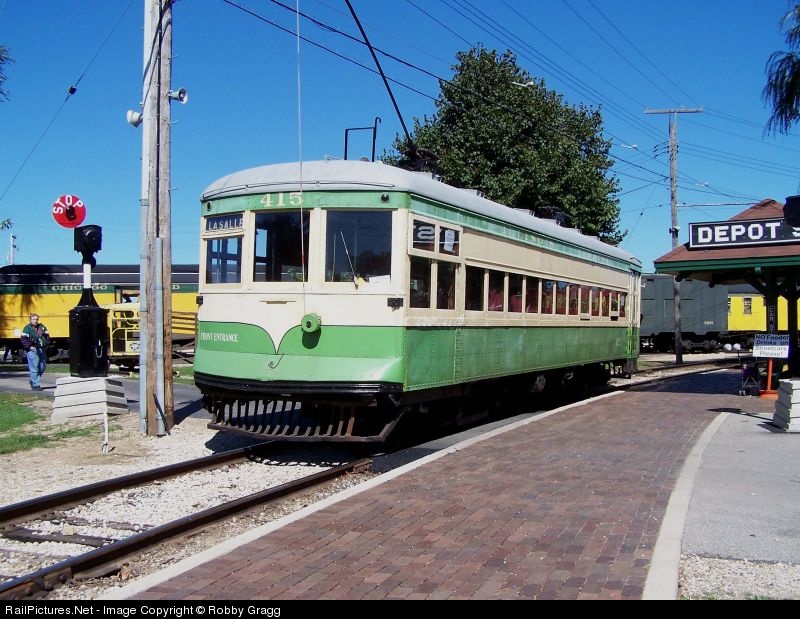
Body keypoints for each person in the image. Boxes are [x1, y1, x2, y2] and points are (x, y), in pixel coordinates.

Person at [21, 313, 49, 390]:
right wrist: (29, 347)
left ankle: (34, 380)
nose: (35, 321)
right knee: (34, 368)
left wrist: (46, 344)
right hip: (32, 350)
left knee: (43, 367)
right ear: (30, 320)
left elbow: (47, 336)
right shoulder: (27, 328)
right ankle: (36, 385)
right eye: (33, 319)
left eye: (36, 319)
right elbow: (23, 339)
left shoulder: (42, 327)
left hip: (41, 349)